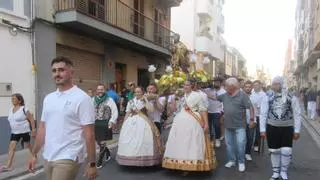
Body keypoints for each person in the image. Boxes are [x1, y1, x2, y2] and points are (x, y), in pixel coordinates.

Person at [28, 56, 97, 180]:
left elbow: (89, 134)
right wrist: (34, 153)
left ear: (71, 73)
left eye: (61, 70)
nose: (57, 74)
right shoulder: (49, 98)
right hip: (49, 155)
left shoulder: (82, 98)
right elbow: (43, 128)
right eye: (54, 71)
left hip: (69, 155)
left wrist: (92, 163)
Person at [162, 79, 217, 173]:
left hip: (193, 122)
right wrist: (174, 99)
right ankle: (179, 163)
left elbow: (203, 110)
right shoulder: (181, 96)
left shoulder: (197, 96)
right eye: (184, 85)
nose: (185, 87)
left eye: (187, 85)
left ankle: (192, 164)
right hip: (180, 122)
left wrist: (206, 124)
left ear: (192, 86)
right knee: (180, 142)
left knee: (192, 142)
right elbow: (174, 110)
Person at [260, 76, 302, 180]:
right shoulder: (267, 96)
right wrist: (262, 129)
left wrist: (297, 130)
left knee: (286, 151)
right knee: (274, 151)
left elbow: (297, 114)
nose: (275, 86)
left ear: (282, 84)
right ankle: (275, 172)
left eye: (277, 84)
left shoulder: (291, 96)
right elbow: (263, 113)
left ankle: (283, 172)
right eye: (273, 84)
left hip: (287, 128)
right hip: (272, 127)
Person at [116, 87, 162, 166]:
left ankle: (144, 159)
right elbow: (127, 113)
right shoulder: (131, 102)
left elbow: (151, 110)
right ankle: (130, 158)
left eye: (139, 92)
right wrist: (124, 124)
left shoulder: (145, 100)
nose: (137, 93)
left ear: (142, 92)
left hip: (144, 122)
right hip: (131, 122)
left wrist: (146, 100)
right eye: (135, 92)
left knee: (143, 139)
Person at [217, 77, 254, 172]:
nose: (225, 88)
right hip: (228, 125)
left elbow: (250, 107)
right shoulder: (225, 95)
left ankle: (241, 162)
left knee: (241, 144)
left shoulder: (243, 95)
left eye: (226, 86)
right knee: (229, 144)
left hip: (240, 125)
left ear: (232, 86)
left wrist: (251, 119)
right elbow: (215, 98)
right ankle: (232, 160)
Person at [0, 94, 36, 172]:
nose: (12, 100)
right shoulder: (11, 109)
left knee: (28, 145)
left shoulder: (24, 109)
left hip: (24, 131)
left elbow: (31, 119)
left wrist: (33, 129)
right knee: (11, 147)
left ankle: (34, 155)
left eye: (14, 99)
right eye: (12, 99)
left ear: (19, 100)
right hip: (15, 132)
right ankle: (8, 166)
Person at [94, 84, 118, 168]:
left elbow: (115, 111)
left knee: (102, 142)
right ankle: (107, 152)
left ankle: (99, 161)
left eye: (102, 89)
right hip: (96, 123)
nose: (100, 91)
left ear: (104, 90)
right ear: (96, 90)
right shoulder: (93, 99)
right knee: (98, 142)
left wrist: (112, 121)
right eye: (98, 89)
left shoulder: (109, 100)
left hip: (105, 123)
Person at [205, 77, 226, 148]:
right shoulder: (207, 90)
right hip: (208, 111)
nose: (215, 83)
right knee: (209, 126)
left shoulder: (223, 91)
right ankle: (211, 140)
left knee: (217, 125)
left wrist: (223, 112)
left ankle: (217, 139)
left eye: (217, 82)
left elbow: (224, 102)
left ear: (220, 83)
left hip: (217, 111)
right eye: (214, 82)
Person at [251, 80, 268, 152]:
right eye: (254, 85)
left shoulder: (263, 95)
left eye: (256, 85)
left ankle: (256, 144)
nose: (255, 87)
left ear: (260, 86)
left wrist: (258, 106)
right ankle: (250, 143)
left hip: (259, 116)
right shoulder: (252, 93)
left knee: (258, 132)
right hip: (252, 115)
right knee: (251, 131)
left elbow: (265, 106)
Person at [243, 81, 256, 161]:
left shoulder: (254, 97)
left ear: (252, 88)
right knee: (241, 139)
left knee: (250, 138)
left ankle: (247, 153)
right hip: (241, 121)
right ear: (244, 87)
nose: (247, 88)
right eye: (246, 86)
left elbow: (256, 110)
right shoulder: (240, 96)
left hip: (251, 121)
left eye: (249, 86)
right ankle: (241, 153)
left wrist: (254, 120)